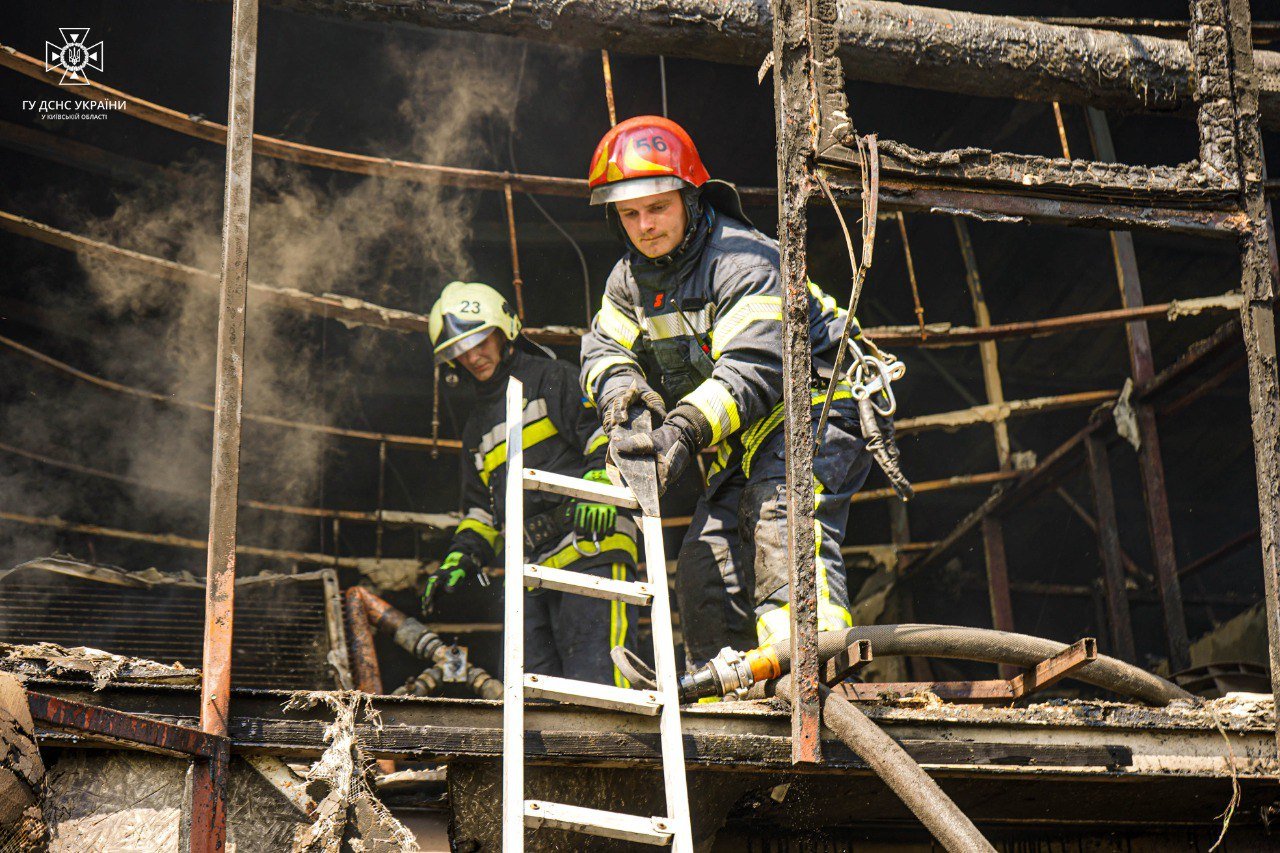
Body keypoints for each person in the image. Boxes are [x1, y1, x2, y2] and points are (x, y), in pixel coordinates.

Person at [580, 116, 899, 668]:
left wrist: (678, 431)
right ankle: (731, 701)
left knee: (782, 523)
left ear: (690, 197)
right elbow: (601, 350)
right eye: (629, 214)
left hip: (819, 407)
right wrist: (623, 401)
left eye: (657, 207)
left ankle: (816, 681)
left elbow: (754, 369)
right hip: (744, 439)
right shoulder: (627, 282)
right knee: (704, 570)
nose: (645, 226)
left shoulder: (745, 260)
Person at [425, 281, 639, 686]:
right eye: (458, 350)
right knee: (534, 697)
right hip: (528, 571)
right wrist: (460, 557)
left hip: (590, 546)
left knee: (598, 682)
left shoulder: (551, 378)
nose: (471, 356)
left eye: (479, 340)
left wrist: (600, 486)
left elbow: (607, 438)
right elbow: (480, 512)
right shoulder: (476, 428)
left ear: (504, 330)